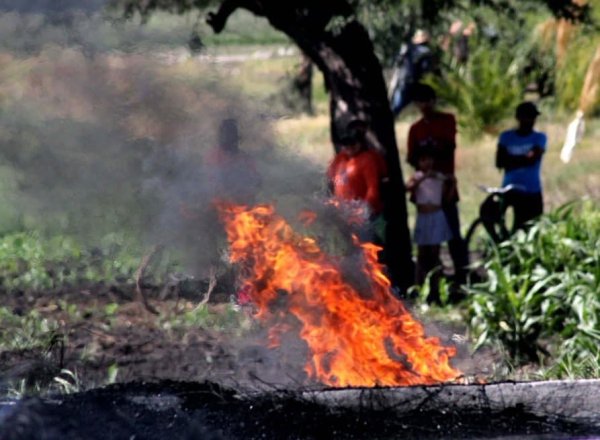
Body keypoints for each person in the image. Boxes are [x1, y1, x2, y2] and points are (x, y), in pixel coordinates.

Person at [407, 83, 468, 285]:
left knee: (453, 236)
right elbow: (411, 158)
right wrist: (423, 173)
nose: (424, 105)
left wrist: (432, 164)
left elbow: (449, 147)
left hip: (446, 187)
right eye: (419, 101)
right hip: (427, 192)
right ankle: (431, 281)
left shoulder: (447, 120)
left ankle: (462, 278)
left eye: (427, 100)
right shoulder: (415, 129)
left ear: (434, 100)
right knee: (427, 242)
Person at [406, 146, 455, 302]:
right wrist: (424, 177)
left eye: (429, 159)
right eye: (423, 160)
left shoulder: (439, 177)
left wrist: (451, 184)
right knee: (421, 255)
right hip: (423, 217)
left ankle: (436, 291)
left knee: (435, 255)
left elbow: (446, 199)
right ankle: (418, 289)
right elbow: (409, 189)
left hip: (436, 216)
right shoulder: (417, 176)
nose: (427, 163)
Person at [327, 126, 387, 241]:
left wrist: (363, 211)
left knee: (367, 248)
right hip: (343, 212)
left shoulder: (367, 159)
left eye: (353, 143)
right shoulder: (339, 159)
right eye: (346, 143)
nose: (349, 146)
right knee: (349, 249)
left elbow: (373, 188)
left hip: (364, 215)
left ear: (360, 142)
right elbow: (332, 181)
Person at [496, 101, 547, 230]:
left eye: (533, 117)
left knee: (529, 227)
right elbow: (499, 162)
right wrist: (523, 158)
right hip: (510, 189)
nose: (531, 120)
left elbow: (532, 159)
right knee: (493, 215)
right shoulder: (506, 137)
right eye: (528, 116)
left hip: (531, 190)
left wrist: (511, 160)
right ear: (518, 117)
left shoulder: (539, 137)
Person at [389, 30, 439, 117]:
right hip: (417, 84)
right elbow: (427, 70)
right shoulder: (426, 52)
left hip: (404, 82)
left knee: (396, 107)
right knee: (428, 107)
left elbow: (397, 62)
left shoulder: (406, 49)